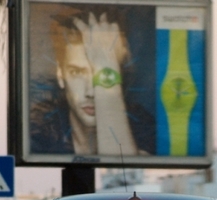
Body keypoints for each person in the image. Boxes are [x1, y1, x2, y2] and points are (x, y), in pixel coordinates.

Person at [32, 11, 154, 156]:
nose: (91, 92)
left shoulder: (140, 123)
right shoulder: (43, 127)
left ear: (119, 75)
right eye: (77, 72)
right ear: (60, 75)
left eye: (107, 72)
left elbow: (120, 174)